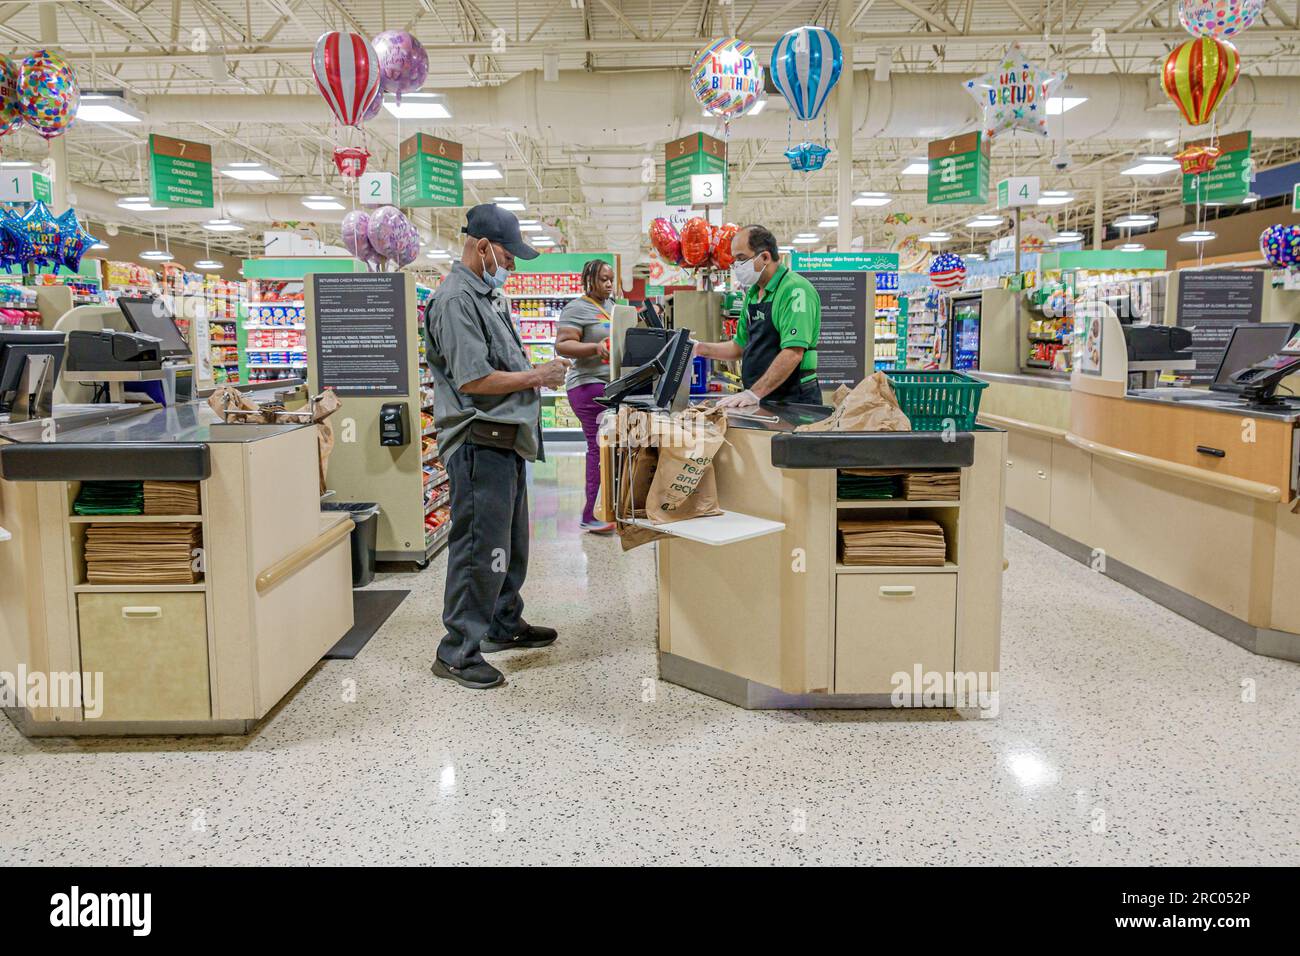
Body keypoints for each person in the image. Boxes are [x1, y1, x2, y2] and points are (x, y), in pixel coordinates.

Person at [424, 203, 571, 690]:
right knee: (478, 547)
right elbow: (474, 380)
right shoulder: (454, 300)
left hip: (505, 439)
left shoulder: (485, 297)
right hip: (477, 440)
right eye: (508, 257)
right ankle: (457, 653)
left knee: (508, 545)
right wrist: (539, 376)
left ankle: (503, 624)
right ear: (483, 246)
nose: (511, 267)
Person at [693, 224, 822, 408]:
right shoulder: (753, 293)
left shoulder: (794, 290)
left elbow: (793, 353)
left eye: (741, 258)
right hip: (763, 395)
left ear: (765, 257)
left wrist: (754, 394)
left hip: (793, 399)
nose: (736, 266)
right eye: (734, 260)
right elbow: (739, 346)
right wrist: (699, 349)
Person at [555, 258, 616, 535]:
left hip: (611, 385)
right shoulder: (576, 308)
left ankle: (609, 507)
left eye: (611, 279)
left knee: (608, 448)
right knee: (598, 447)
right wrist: (595, 347)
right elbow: (563, 346)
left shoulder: (613, 307)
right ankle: (591, 513)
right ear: (589, 279)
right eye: (603, 278)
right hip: (588, 386)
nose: (609, 284)